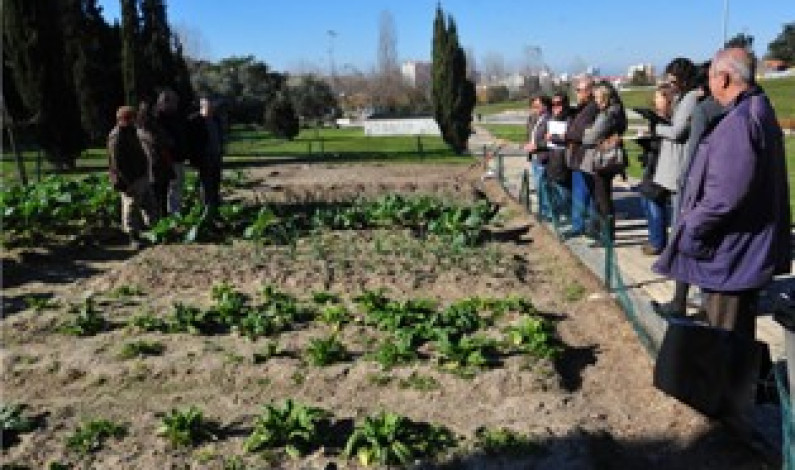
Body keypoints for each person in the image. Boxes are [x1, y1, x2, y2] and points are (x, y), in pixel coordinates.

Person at [652, 47, 790, 433]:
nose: (708, 84)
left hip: (730, 253)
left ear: (724, 78)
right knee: (734, 333)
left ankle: (729, 419)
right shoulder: (757, 111)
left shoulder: (739, 123)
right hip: (743, 249)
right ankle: (737, 404)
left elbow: (723, 197)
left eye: (711, 76)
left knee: (725, 335)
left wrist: (690, 229)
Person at [652, 61, 728, 317]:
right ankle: (702, 302)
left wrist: (685, 183)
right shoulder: (728, 106)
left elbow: (693, 149)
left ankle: (682, 302)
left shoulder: (702, 108)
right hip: (713, 182)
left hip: (695, 182)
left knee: (685, 239)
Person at [581, 81, 628, 246]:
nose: (596, 101)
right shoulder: (617, 111)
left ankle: (607, 236)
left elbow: (589, 138)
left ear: (606, 97)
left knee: (603, 199)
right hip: (609, 158)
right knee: (604, 197)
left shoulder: (607, 114)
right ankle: (605, 233)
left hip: (603, 160)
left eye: (598, 98)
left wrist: (587, 131)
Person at [107, 106, 158, 249]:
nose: (135, 121)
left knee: (149, 204)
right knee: (130, 209)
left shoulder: (132, 131)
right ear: (125, 119)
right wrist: (126, 183)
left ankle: (153, 232)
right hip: (128, 178)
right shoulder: (116, 136)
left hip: (140, 175)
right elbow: (117, 163)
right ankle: (133, 237)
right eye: (132, 118)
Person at [637, 84, 676, 256]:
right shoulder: (656, 119)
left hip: (661, 166)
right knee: (645, 200)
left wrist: (650, 140)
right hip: (651, 163)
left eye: (659, 97)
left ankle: (658, 242)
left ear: (668, 100)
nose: (655, 100)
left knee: (654, 202)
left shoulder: (670, 120)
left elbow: (666, 144)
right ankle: (654, 237)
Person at [564, 77, 599, 238]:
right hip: (578, 156)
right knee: (584, 193)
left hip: (584, 156)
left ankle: (580, 226)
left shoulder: (592, 108)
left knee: (582, 193)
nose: (577, 93)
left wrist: (566, 135)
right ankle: (585, 225)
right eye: (576, 90)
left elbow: (581, 132)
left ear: (589, 91)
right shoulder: (582, 108)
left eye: (579, 90)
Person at [187, 97, 225, 219]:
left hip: (216, 156)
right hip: (204, 157)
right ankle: (206, 210)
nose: (212, 108)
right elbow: (191, 142)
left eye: (212, 106)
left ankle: (215, 208)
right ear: (202, 106)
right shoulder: (195, 120)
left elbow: (220, 136)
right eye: (209, 106)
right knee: (206, 184)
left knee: (216, 182)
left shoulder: (216, 120)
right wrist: (194, 158)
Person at [154, 89, 189, 215]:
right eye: (173, 101)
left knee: (177, 187)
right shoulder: (157, 119)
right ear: (164, 102)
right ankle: (170, 214)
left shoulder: (176, 117)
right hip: (166, 160)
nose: (176, 104)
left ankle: (174, 213)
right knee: (167, 189)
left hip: (178, 158)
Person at [545, 92, 573, 217]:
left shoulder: (570, 118)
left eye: (559, 103)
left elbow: (568, 137)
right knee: (555, 189)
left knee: (565, 190)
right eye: (553, 104)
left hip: (564, 160)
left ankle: (568, 215)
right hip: (552, 159)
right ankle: (558, 214)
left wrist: (553, 137)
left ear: (565, 104)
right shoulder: (551, 118)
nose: (556, 106)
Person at [523, 95, 552, 220]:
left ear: (545, 106)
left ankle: (547, 212)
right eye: (533, 106)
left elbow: (551, 140)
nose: (534, 108)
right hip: (534, 157)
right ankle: (543, 211)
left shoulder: (550, 119)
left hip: (543, 156)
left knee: (543, 186)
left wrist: (537, 145)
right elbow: (530, 135)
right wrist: (528, 144)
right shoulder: (534, 118)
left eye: (537, 106)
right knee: (538, 185)